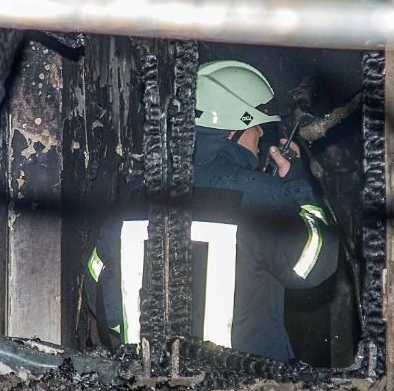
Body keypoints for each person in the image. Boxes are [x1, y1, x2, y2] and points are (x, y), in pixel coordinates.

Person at [85, 60, 339, 362]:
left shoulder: (135, 193)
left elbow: (98, 287)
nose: (260, 133)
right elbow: (314, 265)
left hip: (147, 379)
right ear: (233, 130)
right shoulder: (259, 195)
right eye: (255, 125)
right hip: (242, 383)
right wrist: (298, 186)